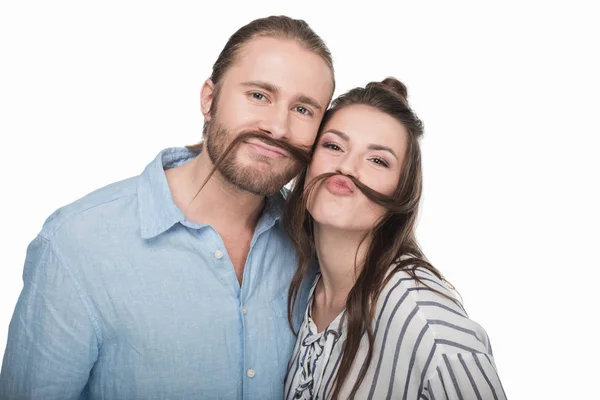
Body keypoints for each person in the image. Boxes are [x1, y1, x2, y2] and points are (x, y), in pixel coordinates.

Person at [0, 15, 334, 400]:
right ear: (209, 98)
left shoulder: (318, 240)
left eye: (304, 110)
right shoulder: (76, 246)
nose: (278, 127)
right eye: (259, 95)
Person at [283, 78, 507, 399]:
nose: (346, 167)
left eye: (378, 160)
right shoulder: (306, 284)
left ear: (401, 193)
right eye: (333, 146)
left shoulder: (426, 320)